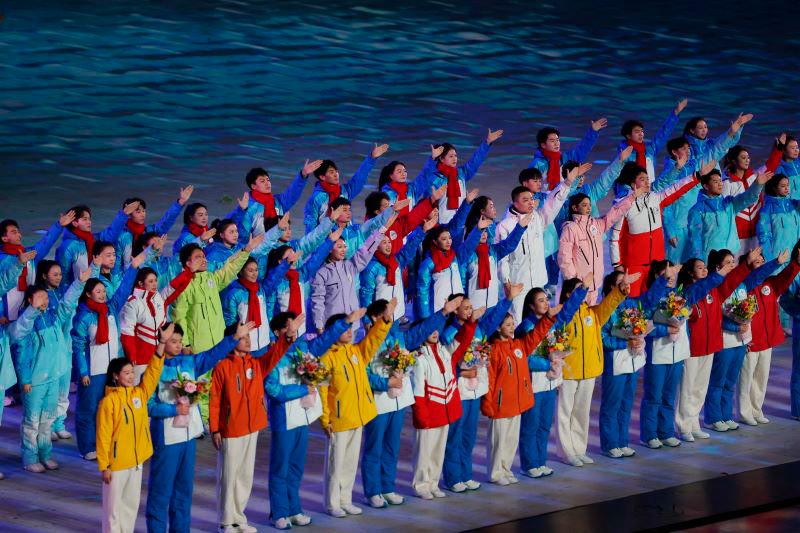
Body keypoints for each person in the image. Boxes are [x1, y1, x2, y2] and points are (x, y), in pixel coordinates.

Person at [145, 321, 255, 533]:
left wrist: (233, 339)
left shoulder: (189, 363)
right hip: (167, 440)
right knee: (161, 492)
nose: (178, 345)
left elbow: (214, 354)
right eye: (172, 341)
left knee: (184, 492)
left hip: (188, 438)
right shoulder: (154, 369)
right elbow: (148, 406)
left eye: (179, 341)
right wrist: (173, 410)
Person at [360, 298, 458, 508]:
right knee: (374, 448)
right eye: (386, 314)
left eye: (391, 314)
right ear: (375, 318)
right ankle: (373, 491)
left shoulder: (399, 338)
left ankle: (388, 487)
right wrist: (386, 382)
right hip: (379, 403)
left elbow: (421, 331)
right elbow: (364, 375)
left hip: (399, 402)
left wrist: (443, 313)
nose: (390, 318)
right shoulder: (367, 342)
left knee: (392, 447)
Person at [265, 311, 357, 530]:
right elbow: (273, 389)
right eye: (290, 327)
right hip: (284, 420)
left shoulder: (303, 349)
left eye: (296, 327)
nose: (294, 331)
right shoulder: (272, 356)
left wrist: (346, 322)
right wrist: (302, 389)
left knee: (296, 468)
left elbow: (324, 341)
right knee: (281, 468)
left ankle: (294, 509)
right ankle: (278, 512)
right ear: (278, 332)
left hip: (302, 418)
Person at [209, 314, 300, 533]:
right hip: (231, 429)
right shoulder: (222, 366)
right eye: (243, 337)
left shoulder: (256, 363)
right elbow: (214, 400)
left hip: (253, 426)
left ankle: (239, 518)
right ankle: (225, 521)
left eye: (249, 336)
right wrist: (214, 429)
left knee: (245, 476)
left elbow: (276, 354)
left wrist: (287, 337)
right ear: (232, 339)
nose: (249, 340)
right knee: (229, 476)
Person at [674, 247, 761, 441]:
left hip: (710, 346)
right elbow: (700, 289)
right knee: (687, 389)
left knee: (700, 388)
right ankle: (683, 426)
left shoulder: (715, 292)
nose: (704, 270)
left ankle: (694, 423)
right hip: (693, 349)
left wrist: (746, 265)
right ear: (690, 272)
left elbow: (732, 282)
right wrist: (721, 273)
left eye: (705, 268)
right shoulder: (689, 293)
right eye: (700, 268)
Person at [318, 299, 395, 517]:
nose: (351, 332)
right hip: (339, 419)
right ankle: (333, 503)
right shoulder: (327, 357)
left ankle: (346, 499)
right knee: (336, 464)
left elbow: (373, 340)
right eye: (346, 328)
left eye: (352, 328)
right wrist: (325, 419)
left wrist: (385, 320)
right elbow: (323, 391)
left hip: (357, 416)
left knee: (350, 463)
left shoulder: (355, 352)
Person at [440, 284, 520, 491]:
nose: (468, 311)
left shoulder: (478, 328)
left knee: (469, 435)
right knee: (455, 435)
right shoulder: (449, 333)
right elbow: (445, 360)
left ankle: (466, 475)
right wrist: (462, 372)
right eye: (464, 308)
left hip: (475, 391)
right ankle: (453, 477)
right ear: (455, 310)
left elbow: (495, 319)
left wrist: (508, 299)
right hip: (457, 390)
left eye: (469, 307)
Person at [639, 259, 726, 449]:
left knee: (670, 396)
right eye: (666, 274)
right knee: (654, 396)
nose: (671, 278)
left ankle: (666, 432)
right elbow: (643, 328)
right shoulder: (650, 299)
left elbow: (701, 288)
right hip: (658, 354)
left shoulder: (681, 295)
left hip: (678, 353)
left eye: (672, 274)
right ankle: (649, 434)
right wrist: (665, 331)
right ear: (657, 276)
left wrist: (719, 275)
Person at [96, 323, 171, 533]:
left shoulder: (139, 394)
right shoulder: (109, 402)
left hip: (137, 461)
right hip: (117, 464)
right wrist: (105, 465)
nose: (130, 376)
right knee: (113, 511)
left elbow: (153, 374)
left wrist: (162, 343)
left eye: (131, 372)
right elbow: (103, 435)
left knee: (130, 507)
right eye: (126, 373)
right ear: (115, 376)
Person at [556, 272, 636, 467]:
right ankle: (567, 451)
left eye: (584, 289)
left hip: (589, 369)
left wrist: (620, 290)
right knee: (565, 413)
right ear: (568, 294)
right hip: (569, 371)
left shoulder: (592, 313)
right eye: (578, 290)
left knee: (582, 412)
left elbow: (608, 305)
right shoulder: (562, 314)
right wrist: (583, 287)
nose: (583, 293)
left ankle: (579, 449)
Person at [13, 269, 87, 472]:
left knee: (47, 419)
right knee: (32, 421)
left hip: (53, 376)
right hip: (34, 380)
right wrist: (25, 379)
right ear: (30, 300)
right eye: (39, 298)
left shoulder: (53, 316)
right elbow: (22, 354)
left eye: (46, 297)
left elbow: (67, 304)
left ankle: (45, 454)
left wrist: (79, 283)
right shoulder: (25, 323)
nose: (44, 301)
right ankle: (30, 457)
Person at [516, 279, 589, 478]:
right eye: (541, 300)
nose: (546, 302)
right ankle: (529, 464)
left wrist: (583, 290)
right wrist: (549, 364)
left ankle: (540, 462)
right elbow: (526, 359)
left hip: (549, 382)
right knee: (531, 424)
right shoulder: (525, 327)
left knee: (544, 424)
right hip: (533, 383)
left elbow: (569, 309)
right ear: (531, 306)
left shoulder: (553, 323)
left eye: (546, 299)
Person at [705, 250, 782, 432]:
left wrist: (776, 263)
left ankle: (726, 415)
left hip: (739, 342)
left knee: (730, 382)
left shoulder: (742, 285)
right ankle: (713, 417)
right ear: (718, 267)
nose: (732, 265)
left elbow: (758, 276)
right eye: (728, 262)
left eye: (734, 262)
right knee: (718, 381)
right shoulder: (720, 287)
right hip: (724, 341)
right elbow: (718, 317)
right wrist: (735, 327)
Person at [72, 262, 141, 461]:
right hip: (93, 372)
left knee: (110, 408)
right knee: (88, 410)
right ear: (88, 294)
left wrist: (133, 268)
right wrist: (83, 372)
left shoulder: (110, 309)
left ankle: (107, 441)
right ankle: (87, 446)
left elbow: (123, 289)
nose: (103, 294)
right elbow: (78, 347)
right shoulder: (83, 317)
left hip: (112, 370)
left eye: (103, 291)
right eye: (98, 291)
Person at [599, 270, 669, 457]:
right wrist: (624, 342)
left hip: (632, 360)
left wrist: (662, 279)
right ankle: (609, 444)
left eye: (628, 281)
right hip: (615, 362)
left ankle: (623, 441)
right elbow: (602, 337)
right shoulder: (605, 308)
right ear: (612, 288)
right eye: (622, 282)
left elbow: (649, 299)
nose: (627, 284)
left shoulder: (632, 304)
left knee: (626, 403)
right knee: (612, 404)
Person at [410, 310, 479, 499]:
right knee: (424, 452)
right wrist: (421, 416)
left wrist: (471, 324)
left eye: (436, 329)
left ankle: (433, 483)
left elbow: (462, 341)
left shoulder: (444, 351)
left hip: (446, 411)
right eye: (429, 329)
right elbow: (418, 392)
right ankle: (421, 485)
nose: (434, 332)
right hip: (429, 414)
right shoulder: (419, 359)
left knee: (438, 451)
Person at [608, 156, 701, 296]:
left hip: (656, 265)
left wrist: (696, 177)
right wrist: (617, 265)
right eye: (642, 179)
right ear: (633, 184)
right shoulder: (623, 204)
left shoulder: (655, 198)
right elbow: (615, 238)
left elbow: (676, 189)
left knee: (655, 302)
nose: (647, 182)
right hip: (634, 266)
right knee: (632, 307)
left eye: (647, 178)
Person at [496, 169, 577, 320]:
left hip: (539, 282)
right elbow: (503, 259)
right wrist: (507, 284)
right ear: (515, 202)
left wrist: (566, 184)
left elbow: (554, 204)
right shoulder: (505, 226)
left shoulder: (538, 219)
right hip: (519, 285)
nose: (530, 202)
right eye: (525, 199)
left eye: (531, 199)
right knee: (518, 322)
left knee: (539, 321)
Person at [739, 242, 800, 425]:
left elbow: (785, 278)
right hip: (751, 341)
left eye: (763, 260)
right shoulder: (744, 286)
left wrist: (796, 264)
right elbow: (756, 277)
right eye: (757, 261)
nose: (762, 263)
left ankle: (756, 409)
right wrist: (774, 263)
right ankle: (745, 412)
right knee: (747, 378)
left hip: (767, 340)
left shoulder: (770, 285)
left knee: (761, 377)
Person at [558, 185, 641, 304]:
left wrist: (631, 197)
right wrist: (573, 280)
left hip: (595, 284)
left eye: (589, 205)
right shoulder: (570, 228)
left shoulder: (596, 225)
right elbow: (564, 257)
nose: (588, 208)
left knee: (590, 318)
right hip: (578, 286)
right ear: (574, 208)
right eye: (584, 205)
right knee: (576, 318)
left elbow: (615, 212)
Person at [120, 257, 194, 382]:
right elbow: (127, 333)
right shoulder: (132, 303)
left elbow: (175, 287)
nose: (155, 284)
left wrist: (189, 272)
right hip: (140, 361)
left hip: (159, 357)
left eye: (155, 280)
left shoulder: (158, 298)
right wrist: (132, 357)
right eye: (150, 281)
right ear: (140, 284)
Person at [265, 228, 340, 337]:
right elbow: (269, 310)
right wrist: (271, 336)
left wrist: (329, 242)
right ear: (281, 261)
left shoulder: (300, 276)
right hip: (282, 333)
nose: (294, 258)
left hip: (300, 331)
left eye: (294, 254)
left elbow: (316, 260)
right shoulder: (276, 282)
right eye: (290, 256)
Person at [311, 225, 386, 334]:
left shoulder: (349, 266)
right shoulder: (321, 273)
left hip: (352, 326)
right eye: (339, 246)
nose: (343, 250)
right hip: (333, 327)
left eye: (345, 246)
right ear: (329, 249)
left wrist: (380, 233)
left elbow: (365, 252)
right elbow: (317, 301)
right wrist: (319, 326)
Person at [0, 211, 74, 320]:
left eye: (18, 232)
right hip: (7, 316)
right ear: (4, 238)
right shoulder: (2, 260)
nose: (19, 235)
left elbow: (45, 243)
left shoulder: (28, 254)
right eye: (14, 232)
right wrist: (0, 314)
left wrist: (59, 226)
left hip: (28, 310)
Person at [303, 143, 389, 232]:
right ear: (322, 177)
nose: (336, 174)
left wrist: (371, 158)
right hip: (327, 240)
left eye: (336, 171)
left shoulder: (344, 191)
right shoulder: (316, 198)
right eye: (331, 172)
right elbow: (311, 226)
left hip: (345, 238)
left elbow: (359, 178)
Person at [687, 169, 770, 261]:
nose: (720, 184)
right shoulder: (696, 210)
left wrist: (757, 185)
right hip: (711, 259)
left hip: (732, 255)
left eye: (720, 181)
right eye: (715, 182)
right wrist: (699, 261)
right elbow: (695, 239)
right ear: (706, 186)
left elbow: (747, 198)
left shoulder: (729, 203)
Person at [221, 254, 296, 351]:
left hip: (264, 343)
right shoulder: (234, 294)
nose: (254, 274)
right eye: (250, 270)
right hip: (246, 346)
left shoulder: (261, 288)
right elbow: (229, 322)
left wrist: (286, 264)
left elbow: (274, 278)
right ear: (241, 271)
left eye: (256, 270)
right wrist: (237, 342)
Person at [56, 202, 138, 288]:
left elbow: (110, 234)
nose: (89, 222)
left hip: (93, 289)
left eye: (89, 219)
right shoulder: (68, 246)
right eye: (85, 219)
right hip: (77, 293)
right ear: (75, 223)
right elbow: (63, 276)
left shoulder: (91, 239)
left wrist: (123, 215)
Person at [463, 202, 529, 309]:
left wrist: (520, 228)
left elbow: (509, 245)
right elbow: (461, 283)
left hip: (492, 305)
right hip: (471, 309)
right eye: (480, 231)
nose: (484, 234)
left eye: (485, 231)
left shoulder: (492, 251)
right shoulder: (466, 255)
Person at [722, 140, 783, 253]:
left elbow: (770, 166)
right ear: (734, 161)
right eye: (743, 157)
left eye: (748, 157)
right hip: (738, 236)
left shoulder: (755, 176)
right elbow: (725, 211)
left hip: (756, 233)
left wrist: (778, 149)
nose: (747, 160)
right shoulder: (726, 183)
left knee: (756, 266)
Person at [430, 129, 502, 223]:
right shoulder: (435, 178)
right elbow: (428, 203)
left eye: (455, 155)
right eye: (451, 156)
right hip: (442, 225)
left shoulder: (460, 173)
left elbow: (475, 162)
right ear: (441, 158)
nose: (455, 158)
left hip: (461, 222)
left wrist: (487, 143)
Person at [360, 225, 430, 321]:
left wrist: (422, 231)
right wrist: (367, 320)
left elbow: (410, 248)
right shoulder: (371, 268)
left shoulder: (396, 261)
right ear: (375, 246)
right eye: (384, 243)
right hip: (380, 318)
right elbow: (366, 294)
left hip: (397, 315)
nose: (388, 245)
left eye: (389, 242)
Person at [239, 160, 321, 239]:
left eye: (268, 180)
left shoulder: (277, 202)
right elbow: (240, 233)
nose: (267, 183)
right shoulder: (248, 207)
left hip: (279, 246)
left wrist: (303, 175)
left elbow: (292, 193)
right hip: (258, 249)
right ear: (253, 186)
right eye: (262, 181)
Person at [415, 224, 481, 318]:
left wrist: (478, 230)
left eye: (449, 238)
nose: (448, 241)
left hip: (458, 309)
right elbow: (422, 292)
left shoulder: (454, 257)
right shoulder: (428, 264)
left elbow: (468, 247)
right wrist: (426, 318)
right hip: (440, 310)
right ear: (435, 241)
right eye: (444, 239)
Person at [116, 187, 193, 268]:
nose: (143, 214)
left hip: (149, 272)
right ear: (128, 214)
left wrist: (180, 202)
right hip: (128, 273)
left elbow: (166, 222)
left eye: (144, 211)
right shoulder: (122, 235)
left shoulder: (148, 231)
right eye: (138, 212)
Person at [616, 99, 687, 181]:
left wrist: (675, 113)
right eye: (637, 132)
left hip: (650, 190)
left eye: (642, 131)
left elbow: (663, 134)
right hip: (633, 191)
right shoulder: (624, 153)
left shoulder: (649, 150)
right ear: (628, 135)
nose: (641, 134)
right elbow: (618, 179)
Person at [528, 118, 607, 190]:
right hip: (545, 203)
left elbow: (583, 148)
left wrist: (593, 131)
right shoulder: (538, 164)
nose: (557, 143)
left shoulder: (565, 158)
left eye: (557, 140)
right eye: (552, 141)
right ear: (543, 145)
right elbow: (530, 188)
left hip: (562, 200)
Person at [757, 174, 800, 263]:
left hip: (796, 256)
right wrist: (770, 258)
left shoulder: (794, 204)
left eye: (788, 185)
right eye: (783, 186)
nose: (787, 188)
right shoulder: (767, 209)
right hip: (779, 258)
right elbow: (763, 235)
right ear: (774, 188)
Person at [775, 135, 800, 200]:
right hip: (792, 206)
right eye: (792, 148)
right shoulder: (779, 168)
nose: (796, 150)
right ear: (784, 150)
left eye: (797, 147)